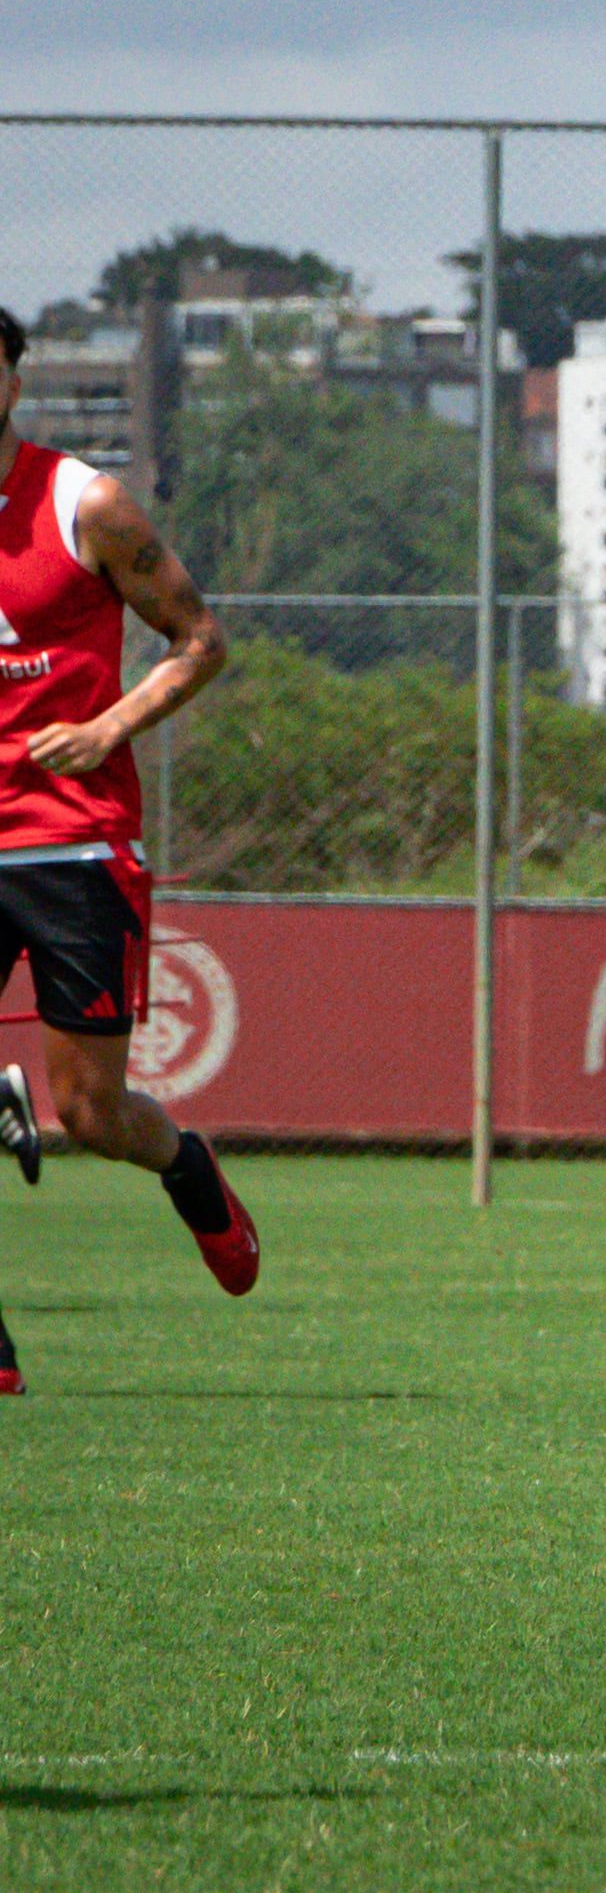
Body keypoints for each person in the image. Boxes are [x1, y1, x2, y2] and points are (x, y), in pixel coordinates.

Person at [0, 305, 247, 1398]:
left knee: (90, 1115)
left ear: (12, 380)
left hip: (72, 843)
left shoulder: (84, 504)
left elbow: (201, 640)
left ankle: (186, 1165)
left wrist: (107, 731)